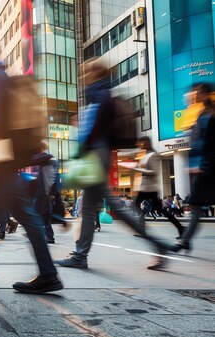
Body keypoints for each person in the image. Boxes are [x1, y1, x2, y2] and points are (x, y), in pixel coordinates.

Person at [55, 58, 170, 270]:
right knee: (93, 208)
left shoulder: (101, 94)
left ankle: (81, 256)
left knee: (96, 209)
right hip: (101, 154)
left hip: (96, 155)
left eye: (85, 73)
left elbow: (98, 127)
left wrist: (84, 147)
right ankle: (81, 255)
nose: (82, 77)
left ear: (94, 74)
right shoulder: (101, 94)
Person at [0, 42, 63, 293]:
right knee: (18, 213)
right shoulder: (0, 75)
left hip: (8, 156)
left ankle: (47, 273)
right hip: (10, 155)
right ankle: (46, 272)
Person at [171, 83, 215, 254]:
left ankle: (184, 241)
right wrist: (191, 165)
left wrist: (203, 163)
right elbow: (196, 142)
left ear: (205, 94)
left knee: (196, 204)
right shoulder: (201, 114)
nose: (193, 95)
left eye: (196, 92)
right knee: (196, 204)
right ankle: (185, 240)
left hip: (208, 166)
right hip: (200, 166)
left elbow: (210, 143)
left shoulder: (210, 115)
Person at [128, 136, 184, 237]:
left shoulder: (153, 155)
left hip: (149, 188)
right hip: (145, 187)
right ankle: (180, 227)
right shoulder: (147, 154)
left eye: (139, 143)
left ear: (145, 143)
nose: (137, 145)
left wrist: (138, 169)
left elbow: (154, 172)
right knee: (156, 209)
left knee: (155, 208)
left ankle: (180, 227)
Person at [32, 142, 59, 244]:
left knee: (42, 214)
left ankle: (46, 236)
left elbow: (53, 178)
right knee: (41, 214)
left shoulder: (48, 159)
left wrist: (51, 193)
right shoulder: (44, 160)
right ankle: (45, 236)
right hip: (41, 192)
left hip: (45, 192)